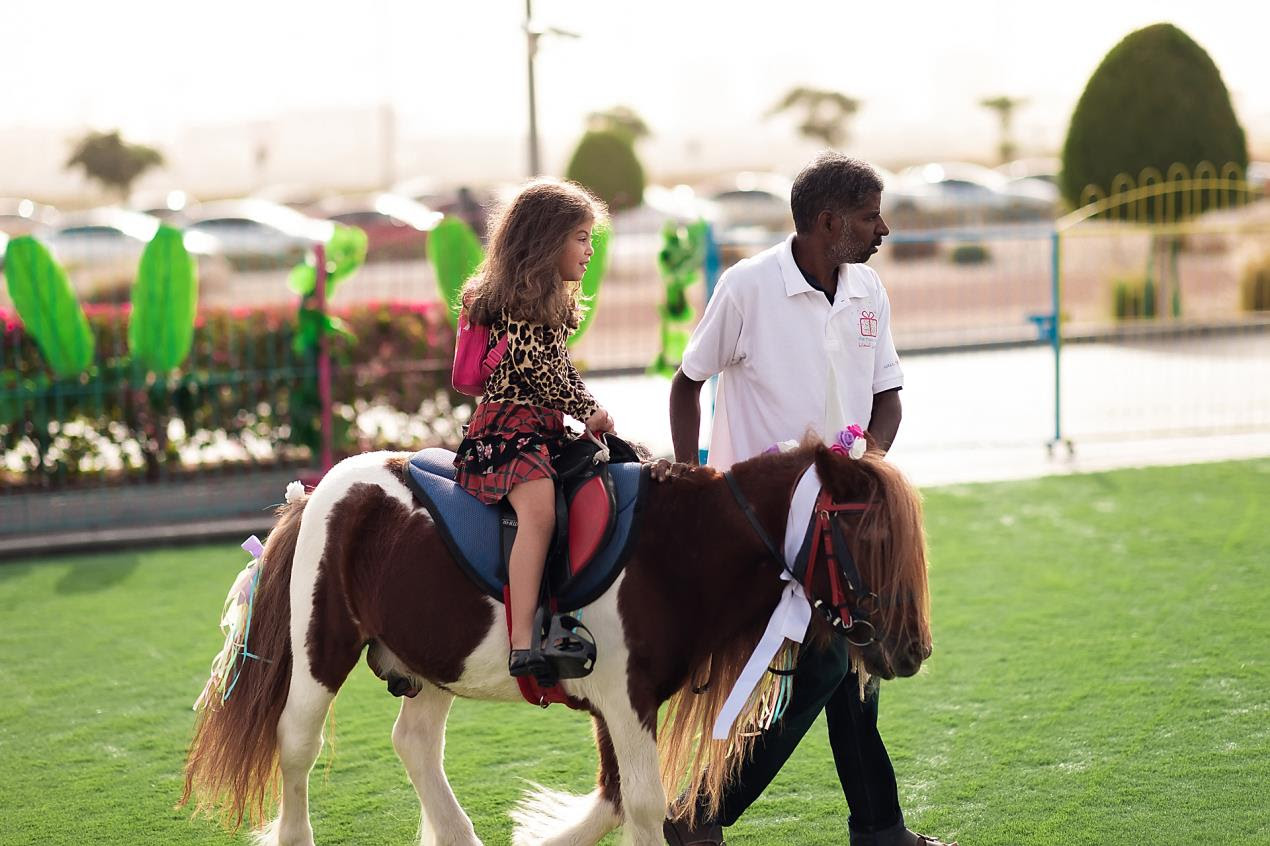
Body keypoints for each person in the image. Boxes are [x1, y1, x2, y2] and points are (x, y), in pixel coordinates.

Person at [659, 153, 956, 846]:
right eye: (870, 217)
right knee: (829, 663)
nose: (883, 229)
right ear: (829, 222)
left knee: (849, 664)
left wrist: (866, 470)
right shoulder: (747, 287)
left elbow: (888, 397)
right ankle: (698, 816)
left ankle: (877, 829)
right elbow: (686, 383)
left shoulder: (868, 288)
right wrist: (691, 480)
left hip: (839, 526)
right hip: (758, 530)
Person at [453, 178, 616, 680]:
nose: (590, 250)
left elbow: (561, 367)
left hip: (542, 428)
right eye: (581, 238)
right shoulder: (519, 301)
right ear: (546, 241)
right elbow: (538, 371)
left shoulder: (550, 301)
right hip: (507, 431)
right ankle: (522, 641)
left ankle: (572, 609)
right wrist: (586, 409)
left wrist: (591, 410)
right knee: (539, 511)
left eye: (590, 238)